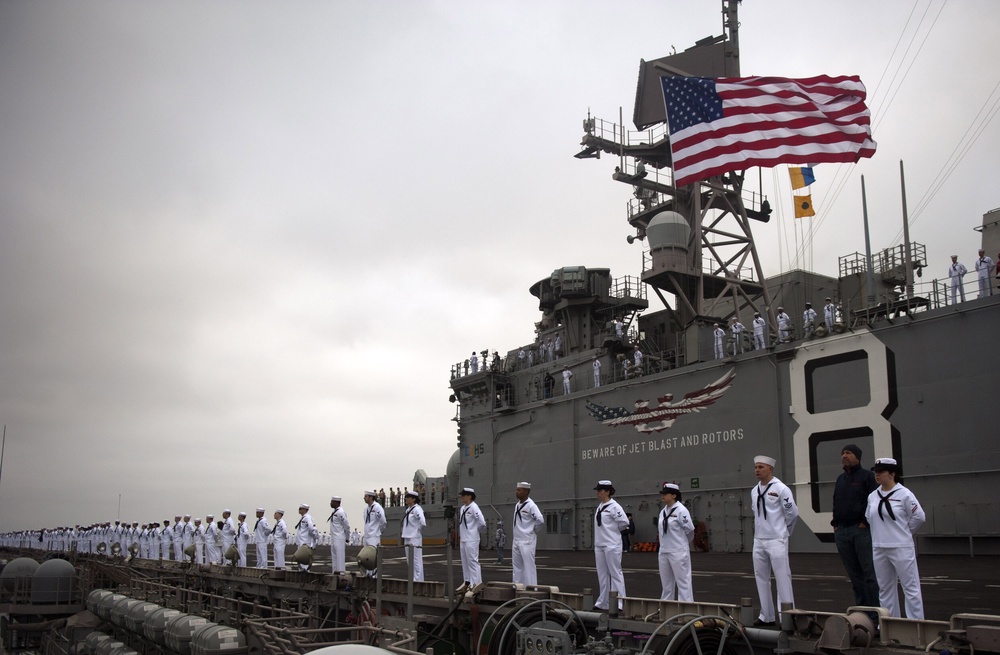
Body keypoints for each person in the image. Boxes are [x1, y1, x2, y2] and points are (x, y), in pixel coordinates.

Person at [866, 457, 926, 619]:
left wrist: (903, 533)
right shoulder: (873, 496)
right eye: (876, 472)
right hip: (879, 546)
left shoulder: (904, 494)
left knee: (910, 588)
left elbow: (919, 516)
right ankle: (890, 625)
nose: (877, 475)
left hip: (901, 546)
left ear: (892, 474)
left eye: (881, 472)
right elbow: (869, 518)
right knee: (885, 589)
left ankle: (916, 626)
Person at [751, 455, 798, 626]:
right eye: (756, 467)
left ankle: (787, 616)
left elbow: (792, 513)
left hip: (776, 538)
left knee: (782, 577)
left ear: (770, 469)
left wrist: (785, 532)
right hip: (759, 540)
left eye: (761, 467)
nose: (757, 470)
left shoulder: (781, 489)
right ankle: (767, 615)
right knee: (761, 577)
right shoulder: (754, 491)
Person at [831, 444, 879, 613]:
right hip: (842, 531)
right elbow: (836, 502)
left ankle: (875, 613)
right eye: (843, 453)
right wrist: (835, 524)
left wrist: (864, 522)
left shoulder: (867, 477)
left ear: (857, 457)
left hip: (860, 531)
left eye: (849, 453)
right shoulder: (840, 479)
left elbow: (872, 502)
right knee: (854, 576)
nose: (844, 456)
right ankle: (862, 610)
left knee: (869, 574)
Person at [593, 480, 629, 611]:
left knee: (615, 573)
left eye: (600, 490)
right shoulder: (600, 506)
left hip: (611, 544)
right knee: (602, 574)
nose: (598, 493)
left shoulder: (614, 506)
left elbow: (624, 522)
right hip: (600, 544)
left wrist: (613, 533)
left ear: (607, 492)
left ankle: (620, 602)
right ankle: (603, 601)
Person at [657, 483, 695, 601]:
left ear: (674, 495)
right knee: (666, 584)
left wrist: (682, 544)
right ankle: (666, 608)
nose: (663, 496)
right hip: (664, 551)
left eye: (666, 493)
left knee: (683, 581)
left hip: (678, 551)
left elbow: (690, 530)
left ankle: (686, 608)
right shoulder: (663, 511)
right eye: (662, 493)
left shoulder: (681, 510)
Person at [512, 481, 545, 586]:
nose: (516, 492)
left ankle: (531, 589)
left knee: (528, 566)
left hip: (527, 540)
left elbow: (540, 520)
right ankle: (517, 587)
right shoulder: (517, 505)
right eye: (517, 490)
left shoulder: (531, 505)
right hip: (517, 539)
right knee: (517, 567)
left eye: (519, 490)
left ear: (526, 492)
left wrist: (533, 530)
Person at [456, 487, 486, 593]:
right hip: (464, 538)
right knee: (465, 562)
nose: (461, 497)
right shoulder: (463, 508)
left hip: (472, 539)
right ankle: (467, 582)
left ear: (469, 496)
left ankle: (476, 584)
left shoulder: (474, 507)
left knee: (473, 562)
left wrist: (475, 532)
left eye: (464, 495)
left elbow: (482, 523)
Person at [400, 490, 426, 580]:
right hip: (407, 536)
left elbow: (422, 522)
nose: (406, 499)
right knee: (409, 561)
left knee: (416, 560)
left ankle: (418, 580)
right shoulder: (408, 509)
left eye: (408, 497)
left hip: (414, 537)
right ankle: (412, 579)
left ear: (414, 499)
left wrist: (417, 531)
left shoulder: (417, 509)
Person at [327, 496, 350, 573]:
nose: (330, 503)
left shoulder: (341, 512)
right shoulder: (335, 512)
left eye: (332, 501)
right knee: (334, 560)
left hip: (339, 538)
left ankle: (341, 576)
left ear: (336, 503)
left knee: (340, 559)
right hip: (334, 538)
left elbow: (346, 526)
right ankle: (334, 575)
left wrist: (347, 537)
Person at [294, 503, 318, 571]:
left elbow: (311, 528)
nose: (299, 510)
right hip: (301, 541)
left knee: (304, 559)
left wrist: (312, 538)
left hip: (305, 541)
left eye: (300, 509)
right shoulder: (303, 518)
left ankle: (305, 574)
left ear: (305, 510)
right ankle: (301, 572)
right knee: (300, 559)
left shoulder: (308, 517)